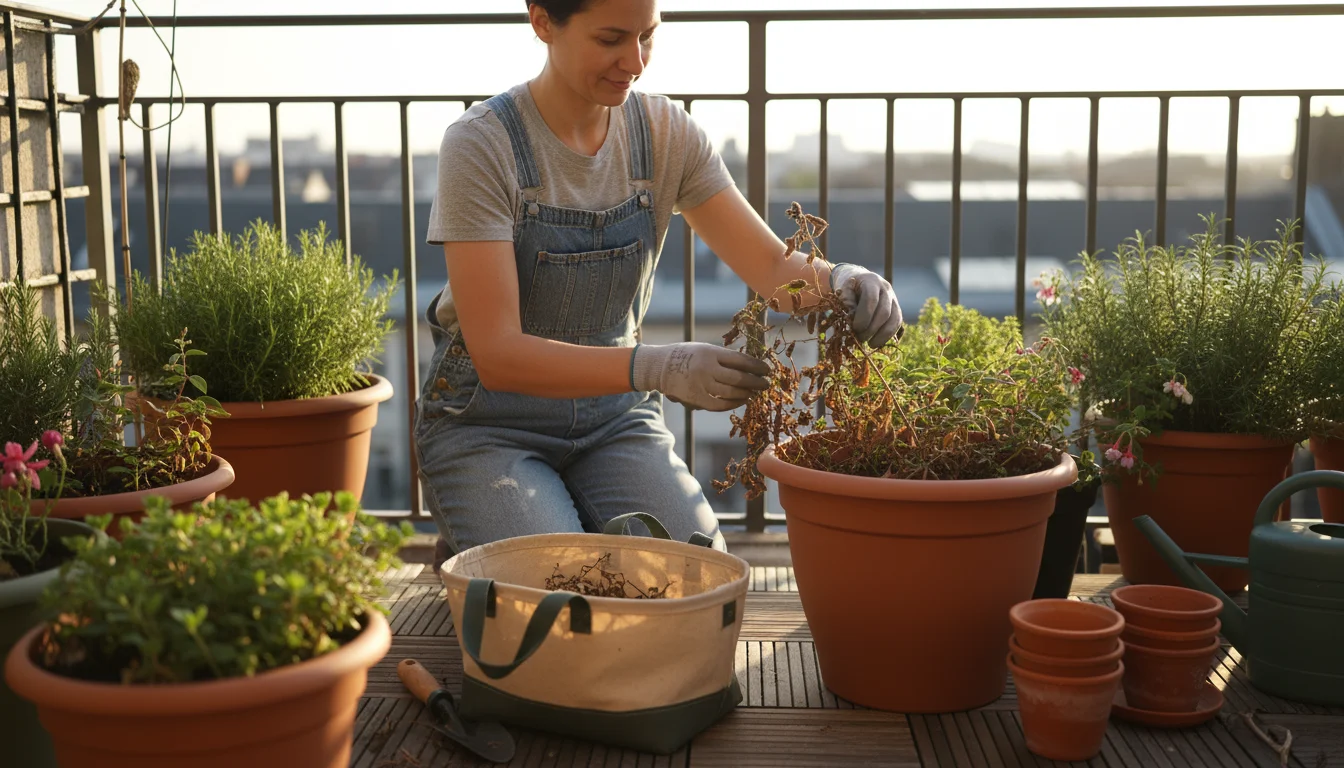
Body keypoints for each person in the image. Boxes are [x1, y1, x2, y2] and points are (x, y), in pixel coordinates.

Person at [416, 0, 903, 562]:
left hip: (614, 420)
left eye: (648, 36)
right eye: (611, 40)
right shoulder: (482, 144)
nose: (636, 61)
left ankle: (526, 524)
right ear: (543, 21)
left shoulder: (664, 134)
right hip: (490, 425)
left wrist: (845, 280)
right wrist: (659, 366)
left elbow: (772, 269)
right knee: (560, 594)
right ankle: (484, 526)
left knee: (696, 575)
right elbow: (497, 353)